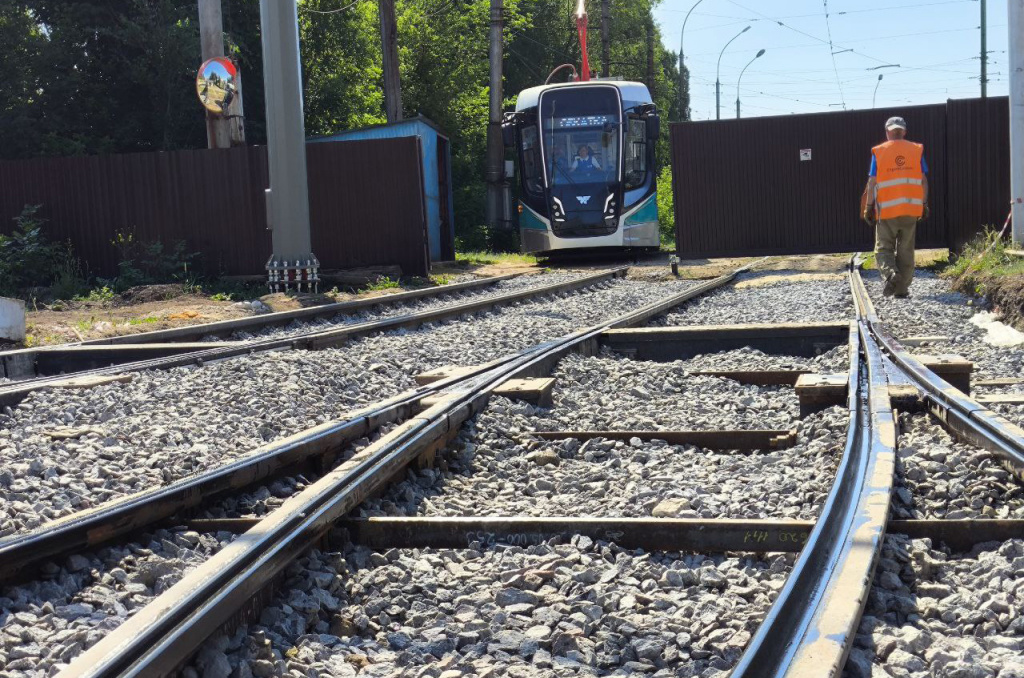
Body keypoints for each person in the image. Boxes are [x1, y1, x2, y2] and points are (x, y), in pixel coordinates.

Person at [862, 116, 929, 298]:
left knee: (883, 248)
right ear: (904, 131)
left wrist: (869, 206)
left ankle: (891, 273)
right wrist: (924, 203)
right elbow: (923, 180)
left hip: (887, 211)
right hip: (910, 211)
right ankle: (902, 290)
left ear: (887, 132)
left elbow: (872, 182)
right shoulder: (916, 150)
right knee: (906, 250)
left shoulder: (880, 152)